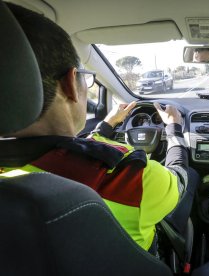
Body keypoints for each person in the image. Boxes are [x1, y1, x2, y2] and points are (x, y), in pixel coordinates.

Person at [0, 3, 197, 253]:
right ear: (71, 83)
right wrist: (174, 130)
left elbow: (71, 155)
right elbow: (178, 181)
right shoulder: (129, 175)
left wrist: (106, 125)